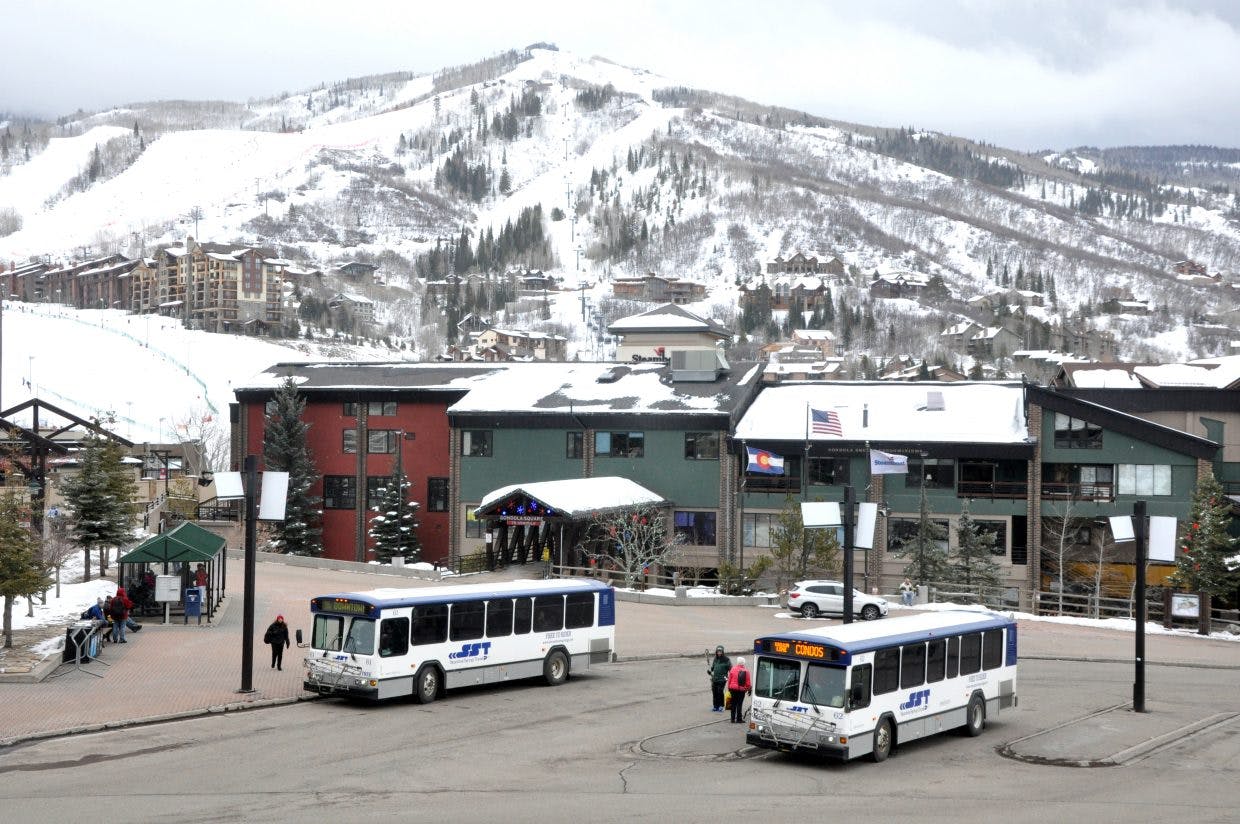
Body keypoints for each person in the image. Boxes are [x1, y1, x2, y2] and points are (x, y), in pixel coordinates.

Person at [727, 657, 752, 723]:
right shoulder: (746, 671)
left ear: (737, 662)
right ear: (744, 663)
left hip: (732, 689)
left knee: (733, 704)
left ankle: (732, 719)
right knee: (739, 704)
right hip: (741, 690)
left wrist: (729, 687)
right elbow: (748, 682)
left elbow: (729, 679)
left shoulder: (733, 669)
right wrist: (749, 689)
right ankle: (739, 719)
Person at [707, 645, 731, 712]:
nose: (719, 653)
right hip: (715, 678)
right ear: (716, 652)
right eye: (718, 651)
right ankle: (715, 706)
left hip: (723, 679)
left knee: (720, 691)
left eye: (720, 651)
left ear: (723, 652)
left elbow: (731, 670)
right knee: (714, 692)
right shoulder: (715, 659)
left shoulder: (727, 660)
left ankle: (721, 706)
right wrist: (710, 671)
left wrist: (728, 678)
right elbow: (713, 667)